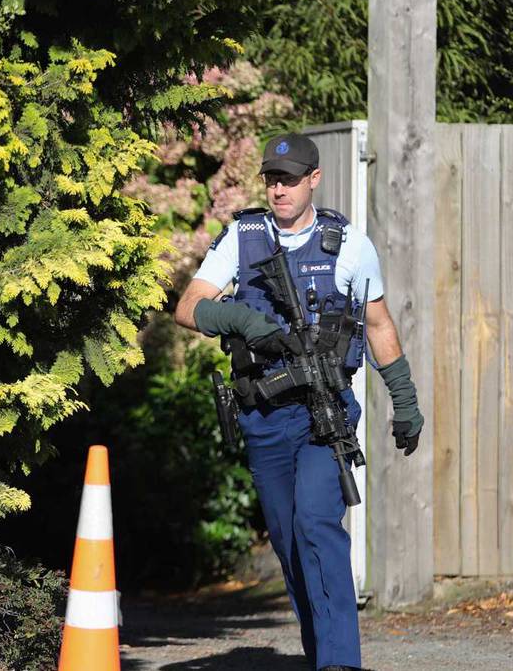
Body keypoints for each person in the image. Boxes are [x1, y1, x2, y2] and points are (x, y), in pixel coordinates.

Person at [173, 132, 424, 671]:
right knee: (288, 544)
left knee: (316, 523)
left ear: (314, 179)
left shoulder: (350, 245)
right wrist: (241, 319)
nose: (278, 188)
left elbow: (378, 325)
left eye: (289, 178)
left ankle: (341, 663)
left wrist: (404, 399)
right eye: (271, 178)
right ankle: (323, 654)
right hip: (264, 414)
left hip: (322, 412)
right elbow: (188, 308)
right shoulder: (243, 237)